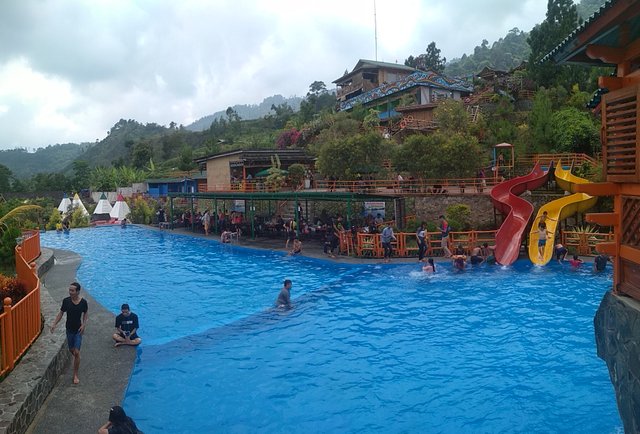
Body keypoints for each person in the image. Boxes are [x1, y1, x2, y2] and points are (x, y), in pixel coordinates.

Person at [50, 282, 88, 384]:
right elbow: (61, 313)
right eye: (69, 290)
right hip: (69, 330)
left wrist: (83, 325)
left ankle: (75, 374)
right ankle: (78, 357)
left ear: (78, 291)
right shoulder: (66, 301)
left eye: (72, 290)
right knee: (72, 350)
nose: (70, 292)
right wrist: (54, 324)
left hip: (78, 331)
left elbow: (85, 313)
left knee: (76, 352)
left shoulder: (83, 302)